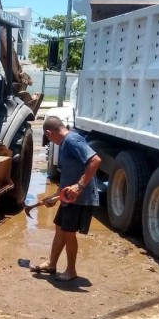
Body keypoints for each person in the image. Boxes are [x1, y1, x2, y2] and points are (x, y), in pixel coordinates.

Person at [31, 115, 101, 282]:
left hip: (78, 198)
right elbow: (71, 174)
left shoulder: (72, 140)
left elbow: (95, 160)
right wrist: (55, 197)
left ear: (49, 132)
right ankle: (51, 264)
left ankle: (71, 270)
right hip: (68, 197)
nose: (49, 140)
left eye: (47, 137)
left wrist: (80, 186)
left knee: (68, 233)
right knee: (60, 228)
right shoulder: (65, 143)